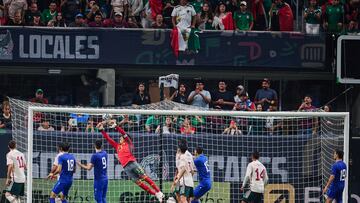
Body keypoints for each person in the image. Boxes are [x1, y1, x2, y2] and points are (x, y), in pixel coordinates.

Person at [97, 123, 164, 202]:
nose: (120, 138)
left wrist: (116, 127)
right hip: (126, 168)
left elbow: (123, 133)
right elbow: (108, 139)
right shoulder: (117, 146)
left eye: (121, 137)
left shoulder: (129, 143)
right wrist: (102, 130)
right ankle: (156, 194)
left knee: (145, 178)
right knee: (139, 184)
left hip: (132, 163)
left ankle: (159, 191)